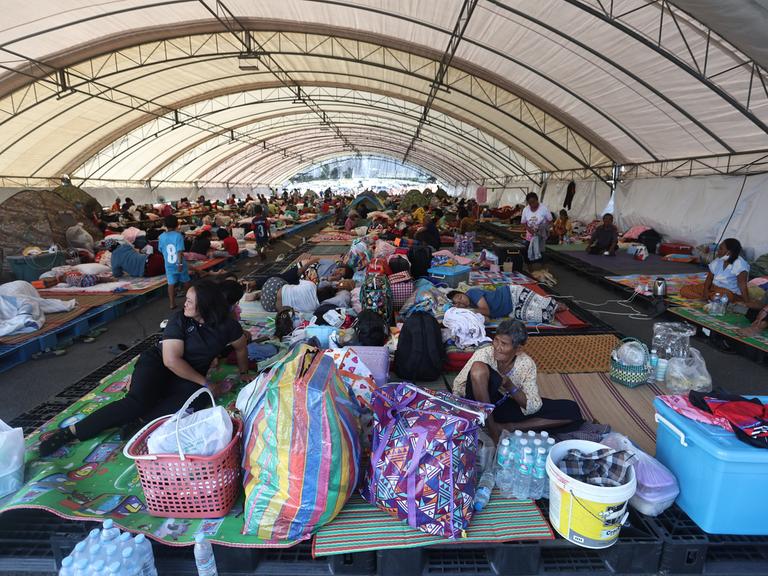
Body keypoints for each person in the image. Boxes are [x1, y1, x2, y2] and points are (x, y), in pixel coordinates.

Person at [39, 280, 250, 456]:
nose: (184, 304)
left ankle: (141, 422)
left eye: (189, 301)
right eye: (185, 299)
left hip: (188, 375)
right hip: (158, 363)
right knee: (137, 402)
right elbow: (171, 361)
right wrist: (206, 382)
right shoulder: (180, 320)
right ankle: (72, 431)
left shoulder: (227, 326)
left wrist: (243, 373)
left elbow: (241, 347)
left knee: (194, 401)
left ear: (205, 306)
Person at [452, 320, 582, 440]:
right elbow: (459, 386)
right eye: (496, 340)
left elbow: (532, 405)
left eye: (504, 344)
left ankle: (507, 427)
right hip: (477, 405)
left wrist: (509, 385)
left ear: (518, 349)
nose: (497, 347)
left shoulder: (526, 364)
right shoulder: (484, 353)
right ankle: (492, 430)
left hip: (504, 406)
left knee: (571, 409)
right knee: (478, 368)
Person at [680, 238, 754, 303]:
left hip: (728, 292)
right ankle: (710, 299)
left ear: (729, 252)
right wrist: (705, 291)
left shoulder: (740, 264)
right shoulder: (718, 261)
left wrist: (746, 302)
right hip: (713, 288)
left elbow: (742, 286)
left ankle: (712, 299)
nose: (718, 251)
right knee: (684, 290)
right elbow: (709, 278)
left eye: (721, 249)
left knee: (721, 298)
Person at [448, 285, 566, 324]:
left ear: (463, 293)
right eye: (458, 303)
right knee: (544, 317)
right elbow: (487, 319)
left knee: (547, 306)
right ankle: (551, 307)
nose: (462, 302)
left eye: (460, 297)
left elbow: (486, 310)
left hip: (512, 294)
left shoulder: (472, 293)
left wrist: (469, 311)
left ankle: (553, 303)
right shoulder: (469, 309)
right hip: (511, 310)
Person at [159, 215, 190, 309]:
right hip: (179, 263)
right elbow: (179, 251)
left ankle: (172, 303)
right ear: (177, 224)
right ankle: (189, 300)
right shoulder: (178, 235)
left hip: (168, 264)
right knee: (186, 281)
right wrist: (180, 263)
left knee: (171, 283)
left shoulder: (161, 237)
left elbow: (161, 249)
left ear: (165, 224)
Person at [521, 192, 551, 267]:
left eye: (534, 202)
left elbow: (550, 221)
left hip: (541, 236)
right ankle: (530, 268)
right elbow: (523, 223)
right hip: (530, 236)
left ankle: (542, 268)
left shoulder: (544, 209)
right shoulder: (526, 210)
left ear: (537, 200)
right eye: (530, 203)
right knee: (528, 253)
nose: (532, 204)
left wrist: (542, 228)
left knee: (541, 253)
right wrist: (529, 229)